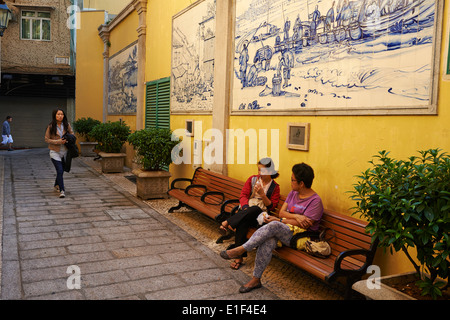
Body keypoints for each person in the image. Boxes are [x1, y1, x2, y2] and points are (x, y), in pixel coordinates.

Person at [220, 163, 323, 293]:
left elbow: (303, 225)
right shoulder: (293, 194)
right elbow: (282, 213)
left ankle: (241, 249)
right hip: (285, 230)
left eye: (292, 180)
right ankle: (255, 279)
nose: (290, 182)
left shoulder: (315, 201)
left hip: (300, 236)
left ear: (301, 183)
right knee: (269, 240)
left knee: (274, 225)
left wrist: (282, 220)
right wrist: (297, 216)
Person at [219, 158, 280, 270]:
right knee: (243, 221)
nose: (259, 173)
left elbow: (271, 207)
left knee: (256, 209)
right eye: (258, 170)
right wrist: (246, 208)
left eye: (263, 171)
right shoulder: (252, 180)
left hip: (261, 217)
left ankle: (227, 222)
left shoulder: (275, 187)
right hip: (247, 212)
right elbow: (243, 196)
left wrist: (262, 194)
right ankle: (239, 258)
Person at [44, 108, 73, 198]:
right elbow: (46, 139)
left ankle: (56, 184)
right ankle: (62, 190)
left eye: (62, 114)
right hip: (54, 152)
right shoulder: (51, 126)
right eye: (58, 114)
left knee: (61, 171)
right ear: (55, 116)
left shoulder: (67, 125)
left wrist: (68, 139)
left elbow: (72, 134)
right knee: (59, 170)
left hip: (65, 152)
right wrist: (58, 141)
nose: (60, 116)